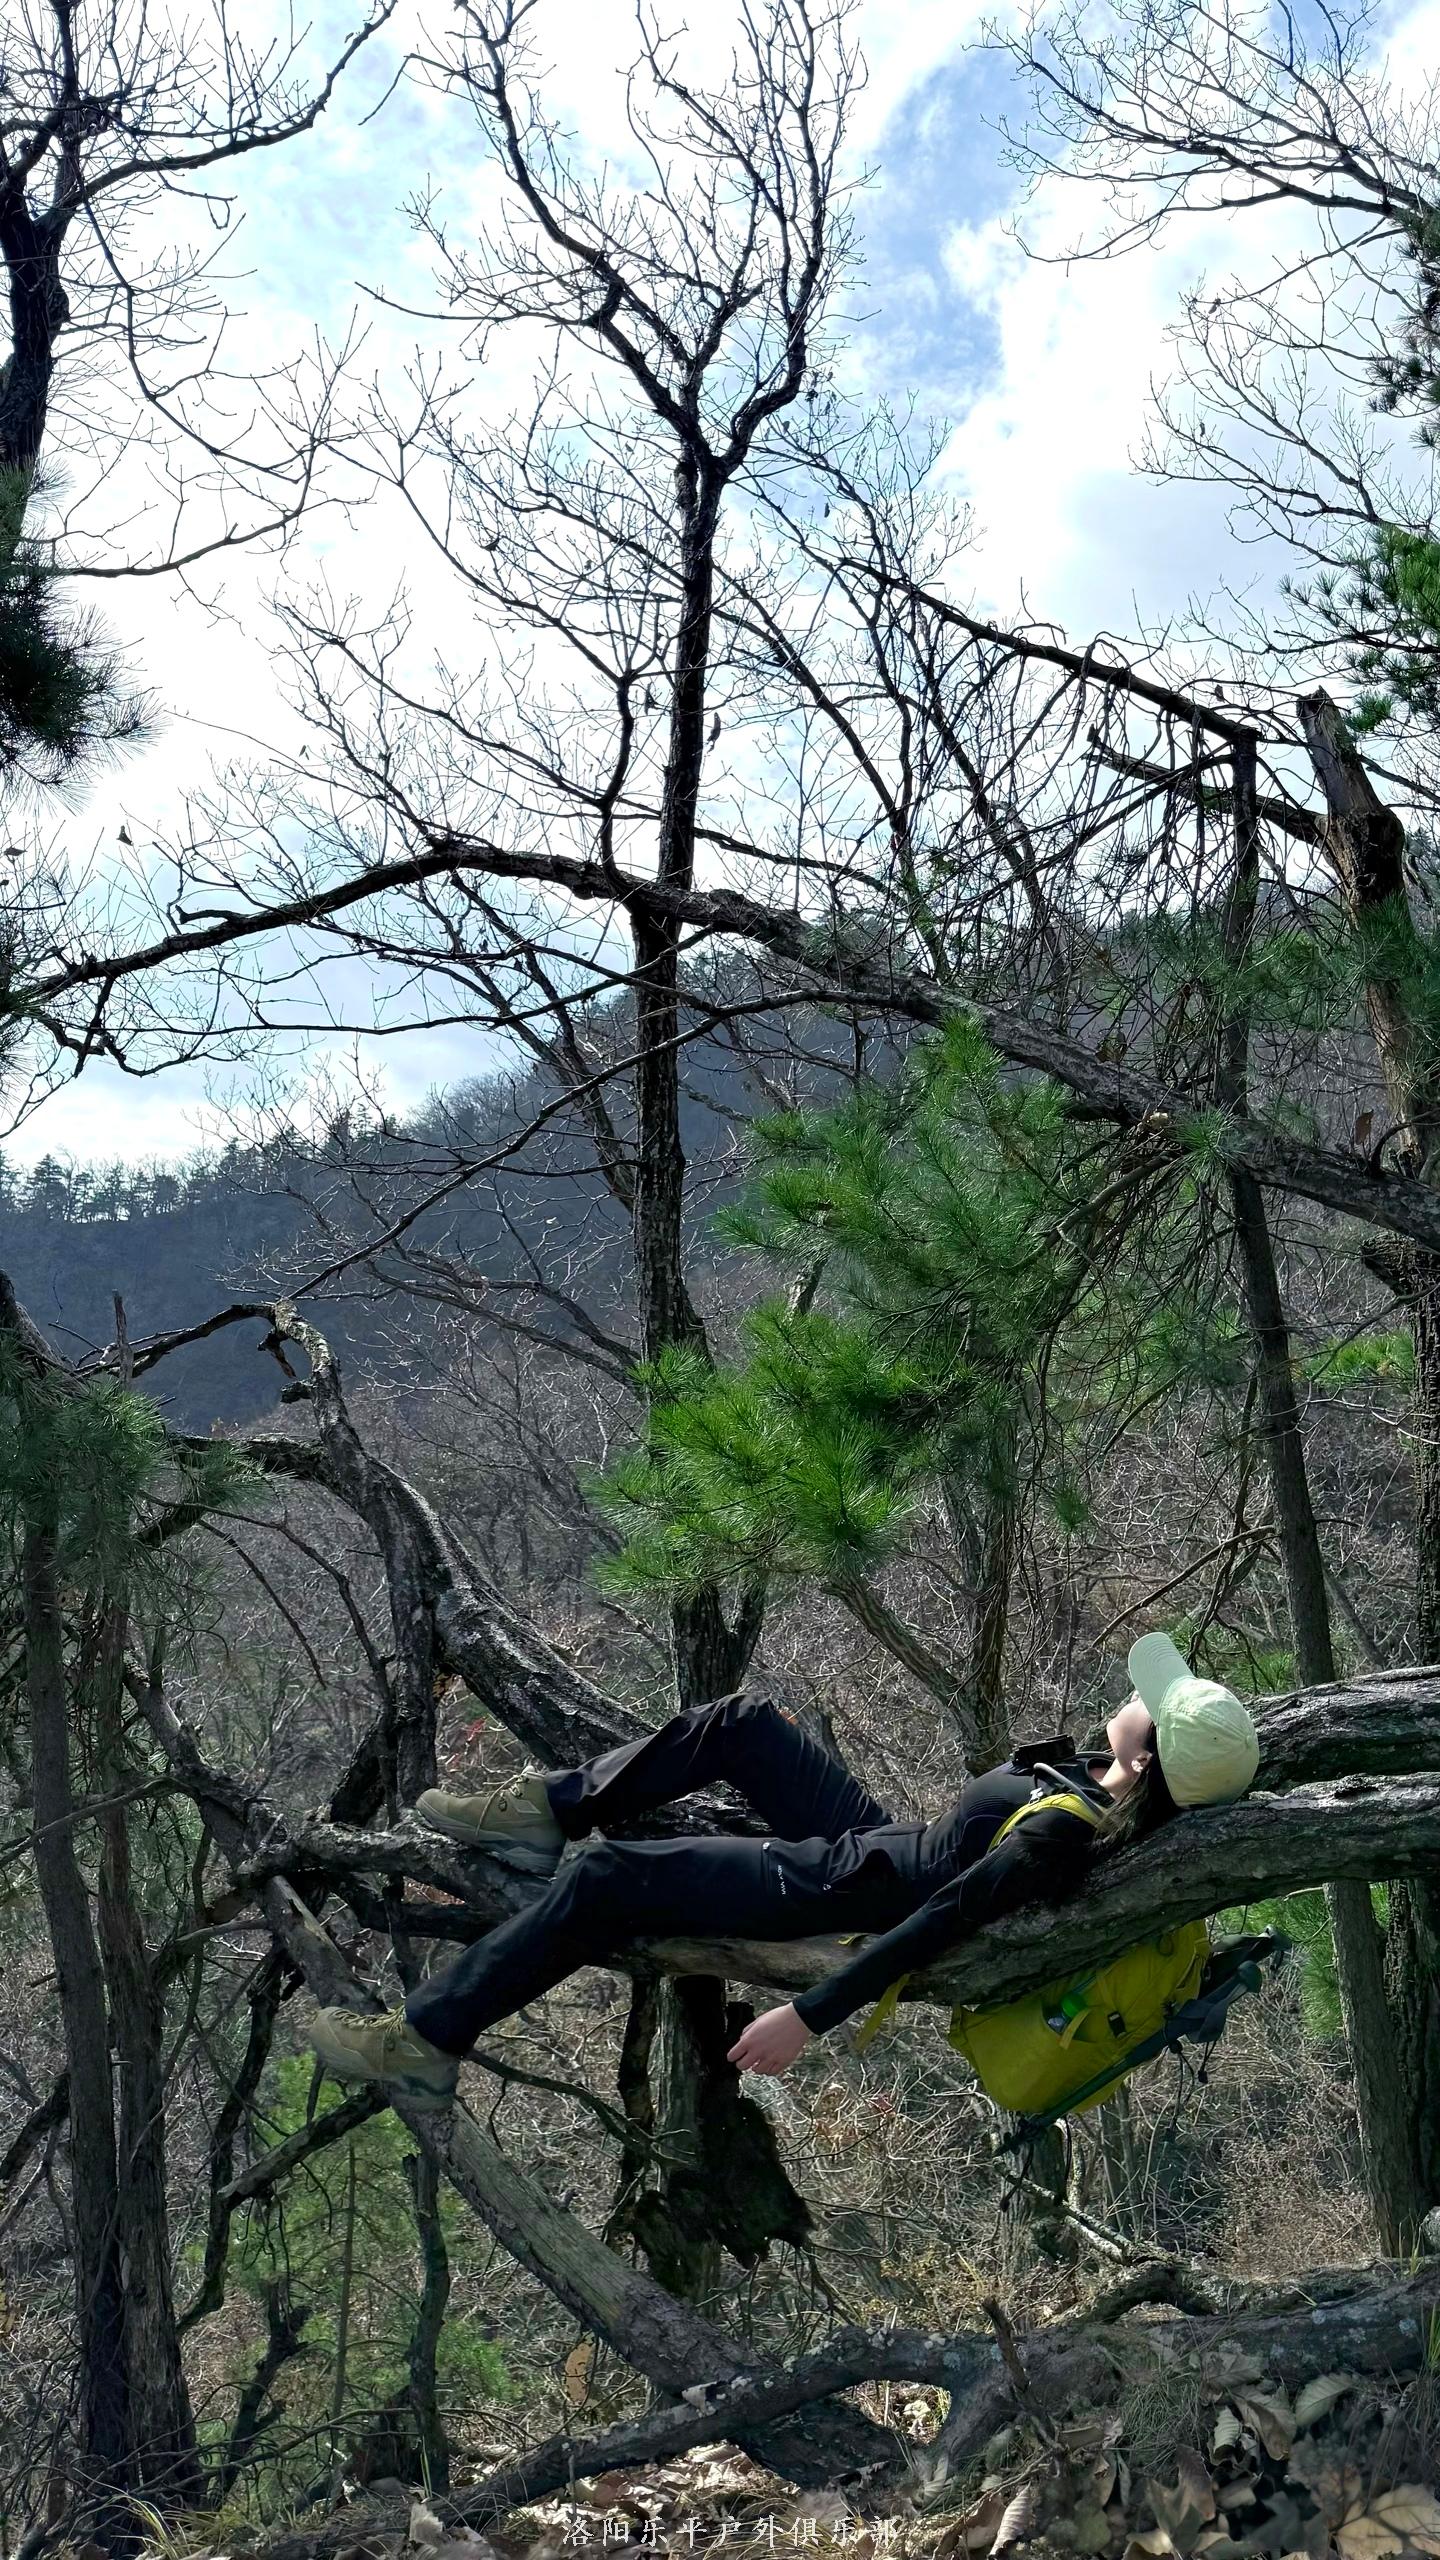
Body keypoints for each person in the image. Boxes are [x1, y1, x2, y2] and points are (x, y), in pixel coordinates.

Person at [308, 1631, 1260, 2109]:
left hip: (850, 1892)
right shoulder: (1109, 1783)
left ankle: (424, 2039)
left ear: (1146, 1760)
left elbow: (938, 1923)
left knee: (605, 1883)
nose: (1133, 1694)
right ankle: (548, 1809)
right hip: (888, 1848)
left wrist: (806, 2017)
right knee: (746, 1724)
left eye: (1148, 1703)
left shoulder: (1057, 1835)